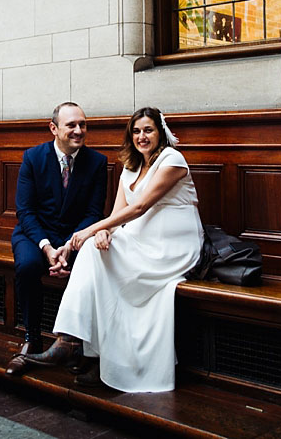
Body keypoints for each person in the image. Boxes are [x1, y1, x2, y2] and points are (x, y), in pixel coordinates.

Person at [22, 106, 204, 392]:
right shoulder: (130, 168)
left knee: (98, 257)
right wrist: (104, 230)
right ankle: (74, 343)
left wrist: (92, 230)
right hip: (140, 241)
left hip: (174, 245)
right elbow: (117, 215)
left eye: (148, 130)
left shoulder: (172, 159)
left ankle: (85, 350)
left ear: (160, 132)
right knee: (96, 252)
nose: (142, 136)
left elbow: (140, 207)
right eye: (136, 131)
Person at [5, 102, 108, 376]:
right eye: (71, 125)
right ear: (54, 128)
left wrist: (68, 246)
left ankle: (77, 345)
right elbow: (25, 211)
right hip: (35, 235)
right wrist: (48, 247)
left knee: (88, 266)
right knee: (27, 266)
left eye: (82, 125)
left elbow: (94, 212)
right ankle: (32, 339)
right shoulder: (33, 158)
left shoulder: (97, 162)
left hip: (75, 237)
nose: (78, 131)